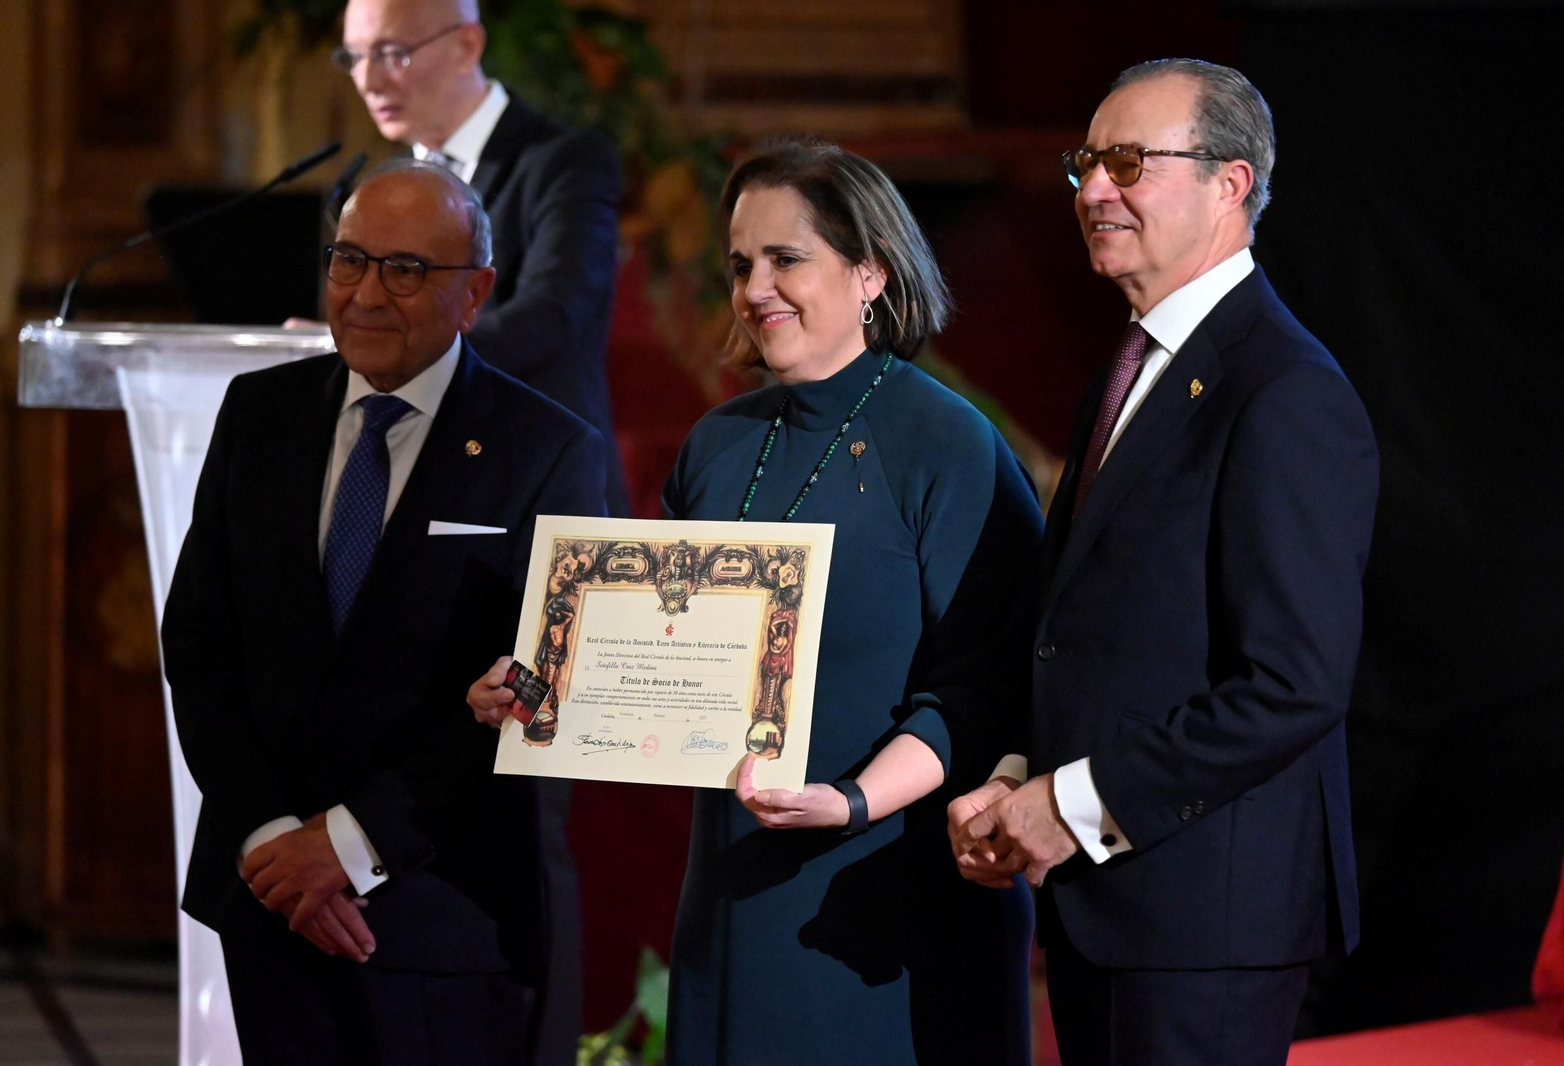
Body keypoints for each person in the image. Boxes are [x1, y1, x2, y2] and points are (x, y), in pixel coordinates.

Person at [470, 138, 1040, 1064]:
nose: (755, 287)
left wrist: (852, 801)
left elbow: (988, 690)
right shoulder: (718, 445)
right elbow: (639, 652)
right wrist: (535, 690)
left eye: (786, 259)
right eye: (740, 264)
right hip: (739, 890)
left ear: (870, 273)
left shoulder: (951, 444)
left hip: (890, 900)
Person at [949, 59, 1379, 1066]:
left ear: (1230, 185)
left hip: (1206, 923)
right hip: (1110, 907)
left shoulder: (1284, 392)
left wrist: (1066, 806)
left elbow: (1292, 684)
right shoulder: (1133, 362)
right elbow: (1085, 633)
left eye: (1128, 163)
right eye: (1086, 162)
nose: (1092, 190)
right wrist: (1018, 780)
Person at [162, 160, 608, 1065]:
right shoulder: (260, 412)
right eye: (348, 260)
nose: (366, 294)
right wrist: (274, 840)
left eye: (405, 269)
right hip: (270, 898)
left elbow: (533, 688)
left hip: (435, 915)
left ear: (475, 293)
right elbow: (200, 646)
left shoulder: (544, 450)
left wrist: (354, 844)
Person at [335, 0, 628, 516]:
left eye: (391, 53)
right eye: (354, 57)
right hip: (412, 494)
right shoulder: (384, 186)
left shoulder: (564, 162)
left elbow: (550, 318)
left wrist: (395, 347)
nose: (368, 80)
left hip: (540, 488)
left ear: (466, 45)